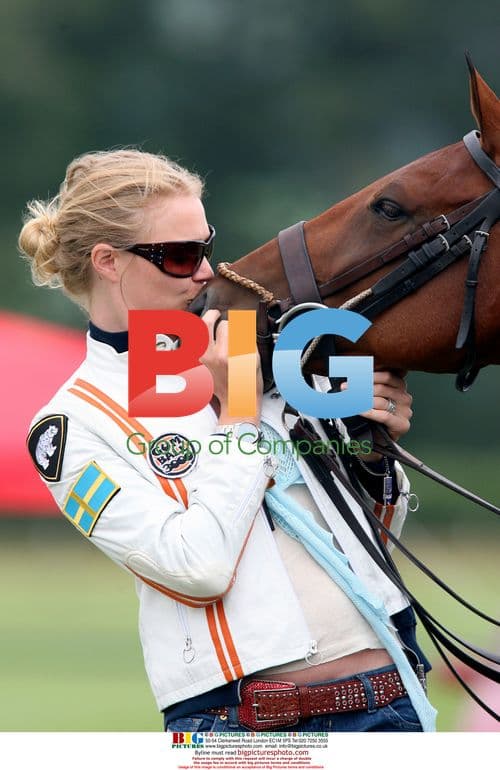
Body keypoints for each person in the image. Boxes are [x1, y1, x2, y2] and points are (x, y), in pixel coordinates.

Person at [20, 148, 436, 732]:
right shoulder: (70, 424)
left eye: (205, 247)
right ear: (108, 261)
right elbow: (197, 568)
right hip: (249, 726)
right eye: (181, 255)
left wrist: (371, 453)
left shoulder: (260, 347)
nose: (206, 272)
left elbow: (373, 541)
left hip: (395, 699)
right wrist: (239, 414)